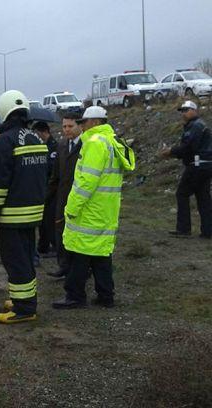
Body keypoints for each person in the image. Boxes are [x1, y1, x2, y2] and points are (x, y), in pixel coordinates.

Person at [52, 106, 135, 309]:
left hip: (89, 210)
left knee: (78, 255)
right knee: (101, 255)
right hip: (106, 210)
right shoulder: (112, 142)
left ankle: (75, 296)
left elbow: (85, 182)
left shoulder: (95, 144)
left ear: (95, 122)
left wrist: (71, 208)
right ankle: (106, 296)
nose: (82, 126)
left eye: (83, 122)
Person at [0, 90, 49, 324]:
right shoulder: (36, 138)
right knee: (26, 257)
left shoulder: (5, 142)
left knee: (15, 260)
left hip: (12, 216)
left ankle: (24, 309)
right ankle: (24, 298)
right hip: (33, 213)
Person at [160, 100, 212, 239]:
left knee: (182, 194)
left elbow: (188, 147)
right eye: (182, 111)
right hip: (205, 165)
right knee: (203, 197)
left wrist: (171, 151)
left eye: (186, 110)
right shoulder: (198, 125)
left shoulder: (195, 126)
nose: (183, 113)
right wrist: (174, 154)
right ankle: (208, 231)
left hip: (197, 166)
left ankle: (184, 229)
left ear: (194, 110)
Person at [47, 113, 83, 278]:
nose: (67, 130)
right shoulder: (61, 146)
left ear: (79, 126)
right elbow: (55, 176)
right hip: (62, 197)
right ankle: (63, 266)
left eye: (70, 126)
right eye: (64, 126)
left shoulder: (87, 145)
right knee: (60, 230)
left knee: (78, 234)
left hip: (80, 198)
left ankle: (81, 268)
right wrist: (46, 197)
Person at [32, 121, 58, 258]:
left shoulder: (54, 147)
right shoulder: (43, 146)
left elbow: (52, 168)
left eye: (37, 133)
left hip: (52, 189)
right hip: (43, 187)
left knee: (49, 219)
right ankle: (43, 246)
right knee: (42, 219)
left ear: (43, 132)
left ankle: (54, 246)